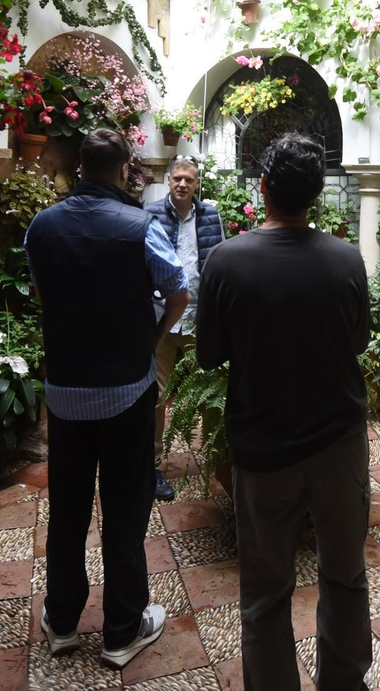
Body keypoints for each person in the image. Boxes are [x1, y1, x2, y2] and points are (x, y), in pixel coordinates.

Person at [197, 134, 372, 691]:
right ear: (315, 194)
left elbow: (208, 354)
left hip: (262, 446)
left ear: (264, 188)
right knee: (344, 576)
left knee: (265, 591)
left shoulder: (226, 261)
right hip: (338, 444)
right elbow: (360, 340)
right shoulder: (346, 259)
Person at [24, 129, 189, 669]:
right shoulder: (141, 227)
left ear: (77, 168)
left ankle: (63, 620)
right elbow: (179, 292)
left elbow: (44, 294)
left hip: (65, 391)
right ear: (124, 171)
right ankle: (122, 630)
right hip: (126, 392)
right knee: (124, 509)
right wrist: (151, 338)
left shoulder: (40, 227)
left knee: (67, 508)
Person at [149, 156, 224, 501]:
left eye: (189, 180)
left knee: (208, 391)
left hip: (199, 319)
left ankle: (216, 457)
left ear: (196, 184)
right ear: (168, 180)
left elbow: (218, 263)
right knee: (156, 395)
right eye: (177, 178)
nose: (182, 184)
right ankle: (151, 465)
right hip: (163, 318)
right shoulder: (150, 214)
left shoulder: (210, 216)